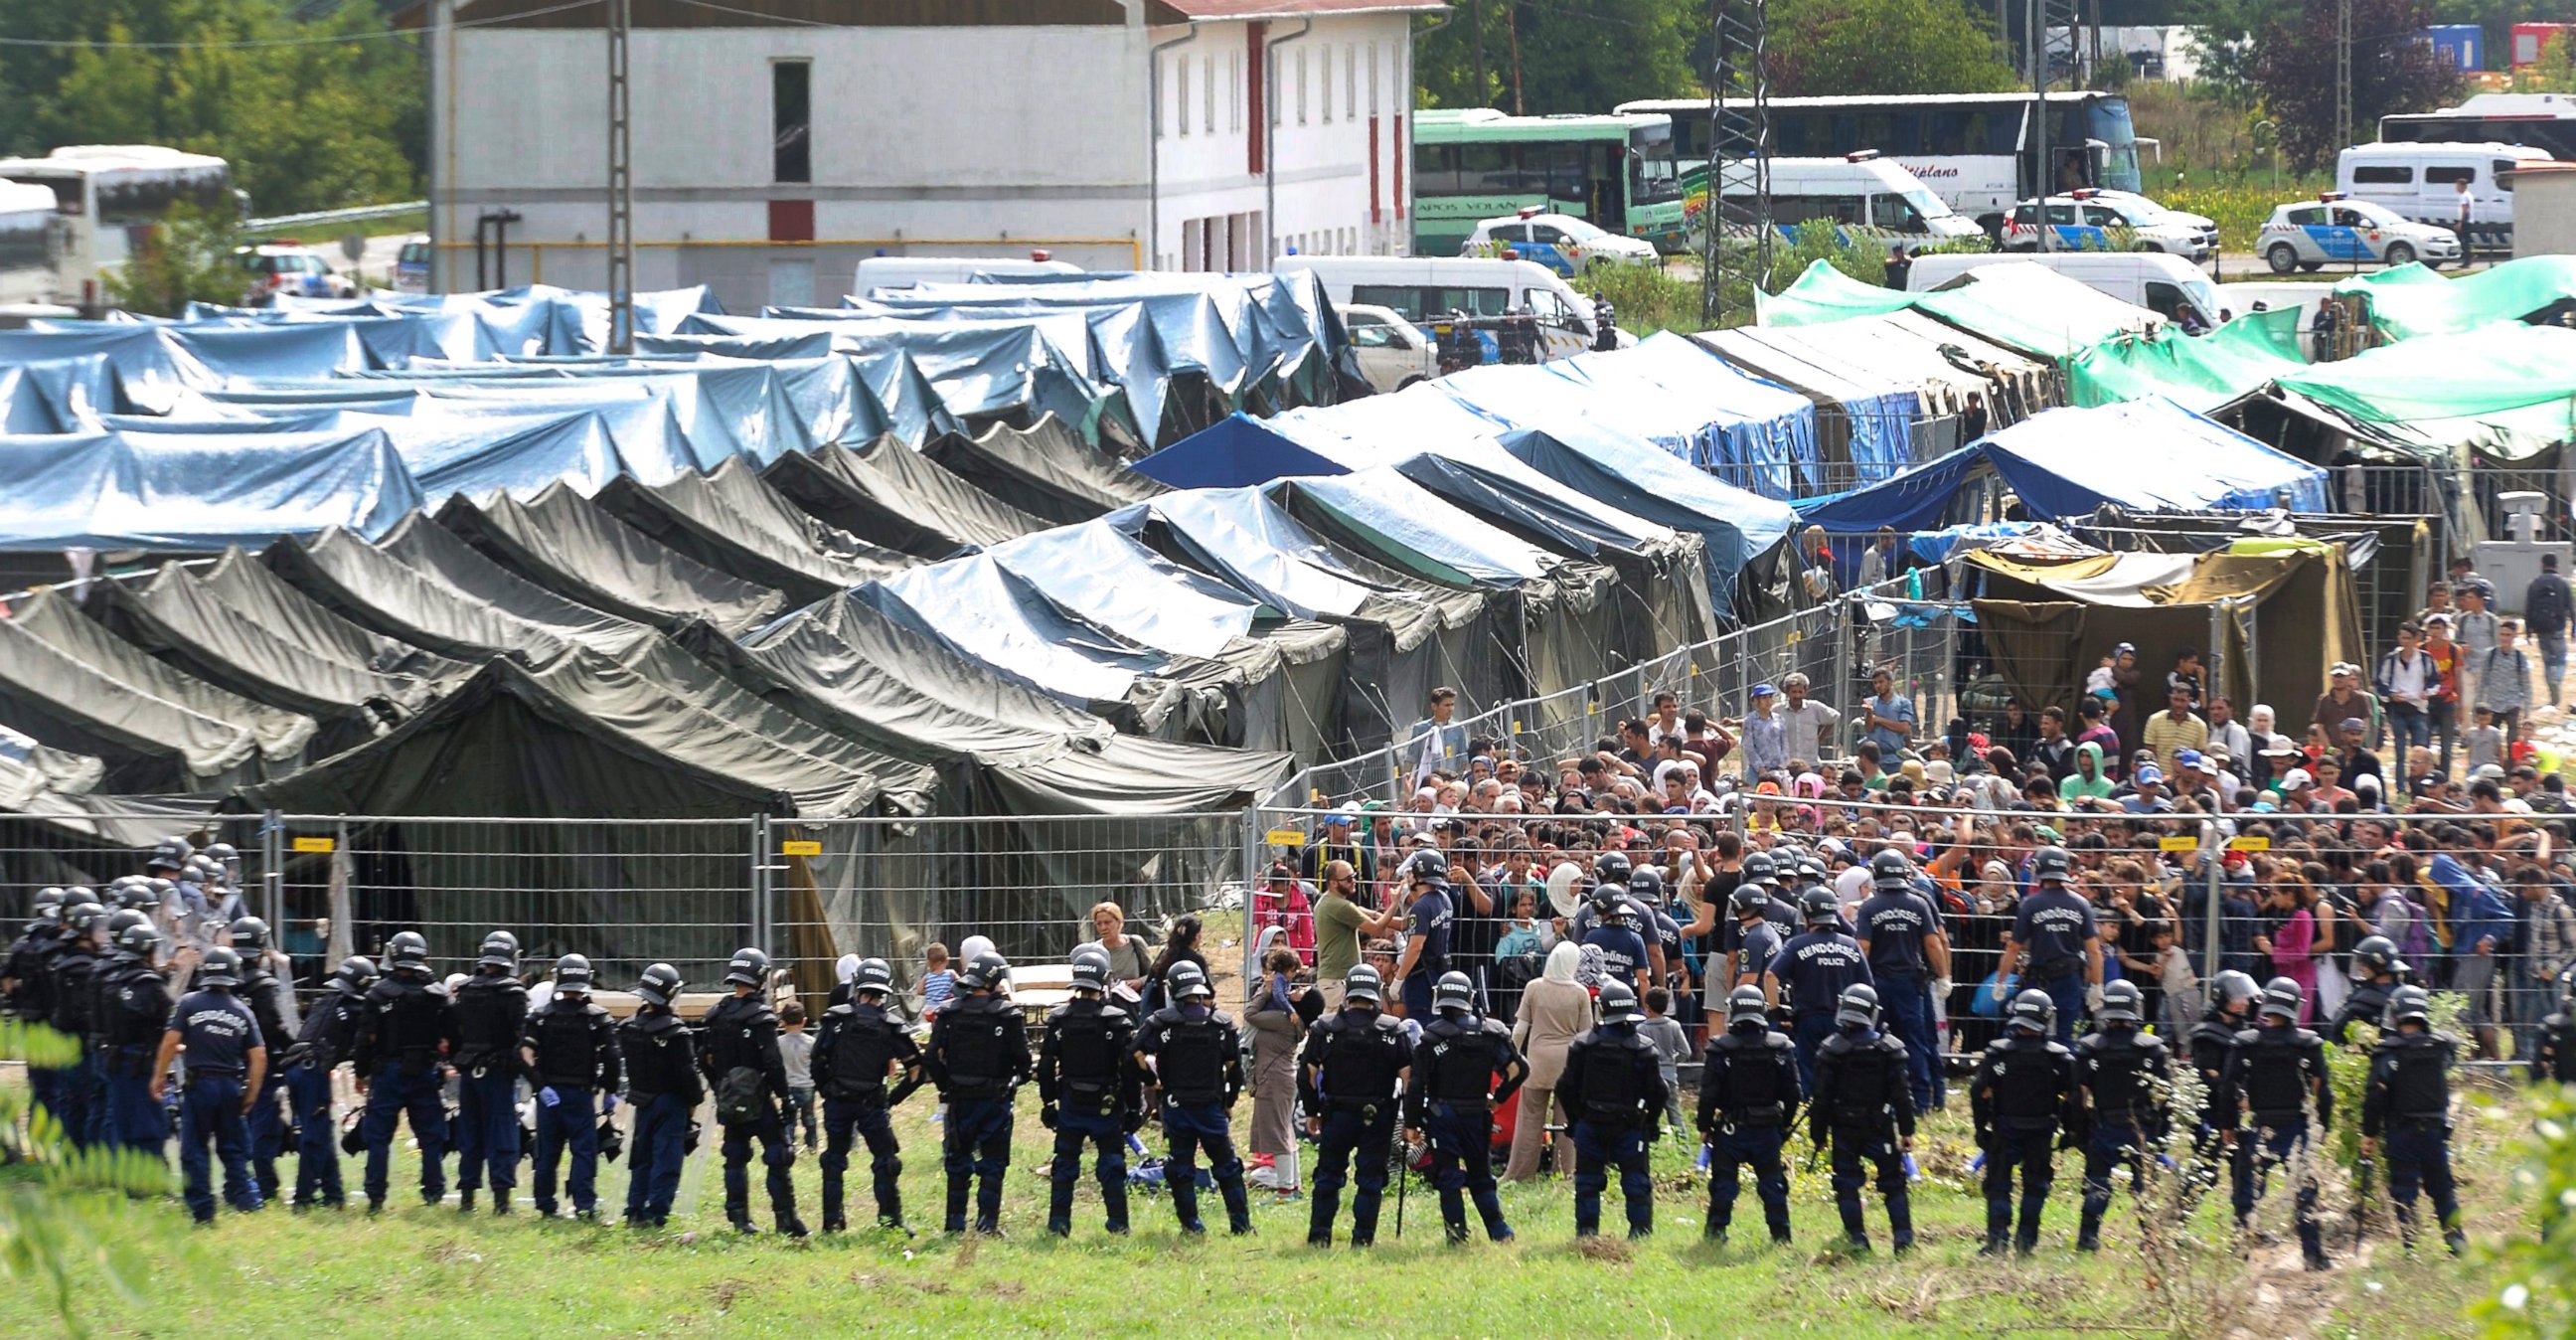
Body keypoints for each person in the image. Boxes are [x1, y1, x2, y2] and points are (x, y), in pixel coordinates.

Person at [1404, 969, 1528, 1244]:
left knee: (1448, 1175)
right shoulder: (1491, 1033)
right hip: (1477, 1113)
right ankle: (1499, 1231)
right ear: (1469, 998)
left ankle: (1457, 1235)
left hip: (1442, 1114)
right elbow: (1519, 1069)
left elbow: (1416, 1085)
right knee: (1481, 1173)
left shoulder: (1431, 1038)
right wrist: (1498, 1097)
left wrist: (1411, 1124)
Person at [2224, 976, 2334, 1271]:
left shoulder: (2245, 1043)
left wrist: (2228, 1126)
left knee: (2247, 1188)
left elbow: (2228, 1088)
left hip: (2259, 1126)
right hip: (2296, 1126)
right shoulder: (2308, 1044)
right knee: (2305, 1191)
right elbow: (2323, 1090)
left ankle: (2240, 1250)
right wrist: (2322, 1126)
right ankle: (2313, 1256)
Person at [151, 944, 266, 1224]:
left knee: (194, 1149)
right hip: (230, 1086)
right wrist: (251, 1093)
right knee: (233, 1148)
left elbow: (170, 1041)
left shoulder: (189, 1003)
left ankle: (203, 1211)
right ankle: (247, 1202)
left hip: (199, 1086)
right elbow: (259, 1056)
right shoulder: (242, 1011)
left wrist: (158, 1076)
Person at [1299, 963, 1412, 1247]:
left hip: (1336, 1115)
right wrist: (1411, 1119)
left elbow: (1307, 1075)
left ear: (1348, 991)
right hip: (1378, 1116)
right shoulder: (1393, 1030)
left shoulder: (1324, 1029)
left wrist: (1311, 1112)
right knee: (1371, 1178)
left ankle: (1319, 1236)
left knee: (1328, 1175)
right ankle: (1363, 1239)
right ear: (1376, 993)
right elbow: (1410, 1078)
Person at [811, 956, 923, 1234]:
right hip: (872, 1103)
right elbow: (916, 1071)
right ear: (886, 990)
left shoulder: (835, 1019)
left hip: (838, 1101)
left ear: (856, 986)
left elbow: (816, 1060)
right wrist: (892, 1099)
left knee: (834, 1160)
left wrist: (827, 1089)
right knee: (885, 1161)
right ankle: (890, 1221)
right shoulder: (891, 1026)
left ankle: (832, 1221)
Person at [699, 947, 806, 1238]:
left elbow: (702, 1058)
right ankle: (786, 1219)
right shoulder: (761, 1018)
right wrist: (785, 1097)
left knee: (734, 1155)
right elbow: (772, 1062)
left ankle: (738, 1218)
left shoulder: (716, 1015)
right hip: (759, 1099)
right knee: (776, 1155)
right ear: (760, 978)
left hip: (730, 1097)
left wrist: (721, 1086)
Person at [1040, 946, 1142, 1237]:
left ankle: (1058, 1224)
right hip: (1107, 1104)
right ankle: (1119, 1224)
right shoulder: (1116, 1021)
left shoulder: (1059, 1020)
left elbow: (1046, 1067)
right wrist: (1134, 1108)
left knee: (1065, 1164)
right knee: (1111, 1163)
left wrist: (1048, 1103)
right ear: (1104, 980)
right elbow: (1129, 1070)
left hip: (1071, 1101)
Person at [925, 950, 1029, 1236]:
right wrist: (1015, 1080)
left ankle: (954, 1223)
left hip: (959, 1098)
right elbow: (1023, 1061)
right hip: (994, 1100)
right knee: (993, 1163)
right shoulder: (1007, 1015)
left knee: (957, 1161)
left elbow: (932, 1057)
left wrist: (945, 1085)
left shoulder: (949, 1012)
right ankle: (987, 1224)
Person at [1809, 984, 1916, 1254]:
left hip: (1844, 1129)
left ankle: (1857, 1239)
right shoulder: (1889, 1050)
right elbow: (1903, 1095)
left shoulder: (1831, 1051)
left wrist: (1818, 1135)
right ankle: (1903, 1240)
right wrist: (1907, 1130)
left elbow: (1820, 1099)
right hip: (1880, 1128)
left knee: (1846, 1183)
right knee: (1893, 1183)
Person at [1971, 989, 2079, 1256]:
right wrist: (2071, 1130)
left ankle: (1997, 1243)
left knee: (1998, 1185)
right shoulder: (2059, 1058)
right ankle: (2026, 1243)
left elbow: (1980, 1093)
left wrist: (1981, 1127)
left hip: (2005, 1129)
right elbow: (2072, 1098)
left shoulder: (1998, 1054)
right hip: (2042, 1131)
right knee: (2036, 1185)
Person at [351, 930, 452, 1212]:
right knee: (431, 1134)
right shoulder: (437, 995)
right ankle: (433, 1193)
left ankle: (376, 1197)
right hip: (424, 1070)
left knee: (379, 1135)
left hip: (388, 1071)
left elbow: (365, 1039)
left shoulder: (377, 993)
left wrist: (360, 1073)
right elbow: (448, 1035)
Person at [2361, 984, 2466, 1256]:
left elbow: (2375, 1097)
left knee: (2405, 1190)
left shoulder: (2387, 1052)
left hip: (2401, 1133)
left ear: (2396, 1016)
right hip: (2435, 1132)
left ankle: (2412, 1248)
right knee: (2442, 1189)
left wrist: (2369, 1134)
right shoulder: (2443, 1046)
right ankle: (2458, 1245)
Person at [1560, 979, 1668, 1240]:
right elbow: (1658, 1092)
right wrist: (1650, 1123)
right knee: (1636, 1182)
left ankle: (1586, 1234)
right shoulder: (1643, 1049)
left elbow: (1564, 1087)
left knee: (1587, 1182)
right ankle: (1639, 1233)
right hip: (1629, 1126)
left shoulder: (1582, 1045)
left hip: (1591, 1123)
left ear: (1602, 1008)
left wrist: (1576, 1121)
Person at [517, 954, 620, 1221]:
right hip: (580, 1095)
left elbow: (525, 1054)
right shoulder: (596, 1018)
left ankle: (545, 1205)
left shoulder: (540, 1017)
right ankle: (584, 1204)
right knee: (583, 1152)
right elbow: (610, 1057)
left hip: (549, 1096)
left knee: (547, 1152)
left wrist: (540, 1086)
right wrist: (609, 1091)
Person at [1696, 984, 1798, 1244]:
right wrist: (1785, 1124)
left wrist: (1704, 1126)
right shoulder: (1780, 1048)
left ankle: (1715, 1234)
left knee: (1724, 1184)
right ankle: (1781, 1235)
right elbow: (1793, 1093)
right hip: (1767, 1128)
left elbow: (1708, 1094)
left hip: (1731, 1129)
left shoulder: (1720, 1049)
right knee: (1772, 1184)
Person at [2073, 979, 2169, 1252]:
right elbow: (2165, 1098)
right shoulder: (2153, 1049)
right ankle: (2149, 1240)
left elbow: (2079, 1096)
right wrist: (2162, 1136)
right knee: (2145, 1187)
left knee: (2098, 1183)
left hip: (2104, 1125)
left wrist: (2080, 1133)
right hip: (2142, 1126)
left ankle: (2088, 1238)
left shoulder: (2090, 1048)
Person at [1855, 848, 1950, 1113]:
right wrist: (1943, 975)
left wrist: (1857, 980)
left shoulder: (1870, 907)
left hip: (1878, 983)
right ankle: (1919, 1102)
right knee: (1915, 1042)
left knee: (1876, 1039)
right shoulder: (1918, 903)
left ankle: (1878, 1098)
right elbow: (1933, 943)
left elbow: (1863, 947)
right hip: (1910, 984)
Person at [280, 955, 376, 1210]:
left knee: (321, 1131)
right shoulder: (356, 1008)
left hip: (296, 1068)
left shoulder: (325, 1001)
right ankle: (303, 1199)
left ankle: (334, 1195)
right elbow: (365, 1043)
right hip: (312, 1073)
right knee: (314, 1136)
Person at [1766, 886, 1875, 1094]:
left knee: (1809, 1070)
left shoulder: (1796, 944)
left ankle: (1811, 1112)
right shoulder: (1851, 945)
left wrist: (1775, 1010)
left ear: (1808, 914)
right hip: (1844, 1019)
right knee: (1842, 1070)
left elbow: (1771, 976)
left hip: (1808, 1019)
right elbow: (1868, 986)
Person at [619, 963, 702, 1230]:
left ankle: (634, 1209)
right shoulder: (675, 1033)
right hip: (671, 1102)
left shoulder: (629, 1028)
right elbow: (687, 1074)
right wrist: (694, 1102)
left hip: (642, 1100)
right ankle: (656, 1214)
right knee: (666, 1159)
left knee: (641, 1157)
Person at [451, 930, 528, 1215]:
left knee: (470, 1133)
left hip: (470, 1074)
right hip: (498, 1073)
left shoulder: (466, 990)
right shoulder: (513, 993)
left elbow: (455, 1031)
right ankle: (501, 1202)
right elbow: (522, 1036)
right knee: (502, 1135)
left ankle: (467, 1200)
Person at [1992, 846, 2102, 1043]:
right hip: (2070, 978)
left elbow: (2014, 947)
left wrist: (2001, 980)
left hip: (2039, 979)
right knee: (2065, 1035)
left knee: (2030, 1031)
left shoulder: (2030, 904)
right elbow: (2093, 950)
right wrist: (2097, 985)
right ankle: (2066, 1072)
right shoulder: (2080, 904)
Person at [223, 918, 296, 1203]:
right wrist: (294, 1049)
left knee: (235, 1127)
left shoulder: (224, 980)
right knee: (262, 1128)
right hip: (259, 1066)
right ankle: (263, 1184)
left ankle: (237, 1183)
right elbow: (273, 1027)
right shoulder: (264, 986)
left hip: (229, 1064)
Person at [1506, 941, 1592, 1181]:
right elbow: (1586, 1033)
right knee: (1568, 1121)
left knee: (1529, 1119)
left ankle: (1520, 1173)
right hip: (1568, 1063)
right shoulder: (1579, 993)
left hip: (1537, 1062)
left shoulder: (1534, 987)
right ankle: (1566, 1171)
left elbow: (1521, 1028)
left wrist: (1513, 1056)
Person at [1312, 859, 1402, 1010]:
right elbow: (1377, 929)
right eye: (1348, 879)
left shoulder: (1327, 902)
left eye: (1354, 876)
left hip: (1332, 978)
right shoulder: (1340, 906)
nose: (1353, 881)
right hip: (1337, 981)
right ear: (1333, 883)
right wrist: (1394, 904)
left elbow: (1367, 914)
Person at [2326, 935, 2408, 1047]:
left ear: (2377, 965)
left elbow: (2337, 1031)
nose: (2360, 968)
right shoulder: (2406, 995)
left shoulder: (2360, 1003)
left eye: (2364, 964)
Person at [2529, 553, 2573, 708]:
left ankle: (2551, 689)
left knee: (2547, 661)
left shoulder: (2534, 583)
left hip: (2541, 629)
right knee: (2560, 659)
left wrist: (2528, 630)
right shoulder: (2562, 583)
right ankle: (2557, 680)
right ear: (2556, 565)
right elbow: (2571, 607)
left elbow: (2528, 607)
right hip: (2558, 628)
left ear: (2542, 564)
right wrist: (2574, 627)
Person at [1080, 902, 1151, 996]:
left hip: (1134, 1002)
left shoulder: (1135, 943)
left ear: (1119, 922)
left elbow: (1151, 974)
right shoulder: (1095, 951)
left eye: (1107, 922)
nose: (1103, 928)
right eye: (1099, 924)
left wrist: (1139, 982)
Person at [1406, 686, 1469, 787]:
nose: (1450, 709)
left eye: (1452, 705)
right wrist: (1405, 789)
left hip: (1450, 782)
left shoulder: (1458, 729)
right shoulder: (1420, 729)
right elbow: (1411, 758)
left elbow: (1464, 758)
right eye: (1446, 705)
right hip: (1426, 781)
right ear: (1434, 706)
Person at [1778, 673, 1842, 767]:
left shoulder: (1814, 708)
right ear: (1787, 692)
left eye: (1800, 692)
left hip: (1810, 763)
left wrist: (1819, 739)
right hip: (1786, 764)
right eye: (1794, 692)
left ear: (1805, 692)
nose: (1797, 696)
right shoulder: (1777, 710)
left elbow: (1833, 717)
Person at [2532, 965, 2575, 1086]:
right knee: (2547, 1031)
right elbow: (2567, 1004)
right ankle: (2538, 1088)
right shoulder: (2572, 973)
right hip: (2568, 1026)